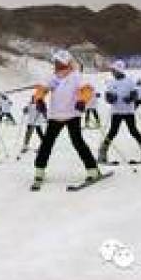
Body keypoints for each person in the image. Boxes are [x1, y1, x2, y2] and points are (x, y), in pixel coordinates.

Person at [32, 50, 101, 186]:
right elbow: (42, 88)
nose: (56, 65)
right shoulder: (53, 77)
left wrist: (82, 100)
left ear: (66, 63)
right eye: (55, 62)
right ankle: (39, 171)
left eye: (59, 62)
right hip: (55, 115)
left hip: (72, 115)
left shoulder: (76, 76)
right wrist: (39, 99)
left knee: (78, 142)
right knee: (46, 144)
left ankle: (92, 169)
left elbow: (87, 89)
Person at [98, 60, 141, 163]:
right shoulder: (111, 82)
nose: (112, 72)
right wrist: (110, 98)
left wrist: (130, 98)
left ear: (119, 70)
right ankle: (102, 153)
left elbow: (135, 94)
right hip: (116, 112)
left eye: (114, 70)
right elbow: (107, 96)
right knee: (113, 132)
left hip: (128, 111)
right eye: (112, 70)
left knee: (133, 131)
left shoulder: (129, 81)